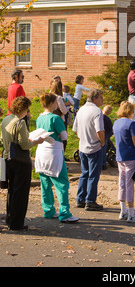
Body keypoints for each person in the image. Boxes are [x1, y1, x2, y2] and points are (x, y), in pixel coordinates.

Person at [1, 96, 45, 230]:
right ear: (25, 108)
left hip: (8, 157)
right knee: (21, 192)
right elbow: (25, 145)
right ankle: (17, 223)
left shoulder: (6, 119)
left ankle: (10, 219)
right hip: (20, 161)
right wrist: (37, 141)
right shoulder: (20, 123)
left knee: (12, 191)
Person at [35, 93, 79, 223]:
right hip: (54, 153)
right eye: (55, 102)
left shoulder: (39, 118)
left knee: (45, 184)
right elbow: (64, 136)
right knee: (62, 184)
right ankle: (65, 213)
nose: (57, 104)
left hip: (41, 152)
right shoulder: (56, 118)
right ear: (51, 103)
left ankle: (48, 210)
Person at [72, 89, 105, 211]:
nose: (102, 100)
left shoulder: (81, 109)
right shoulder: (97, 111)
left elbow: (75, 129)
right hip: (94, 146)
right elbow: (99, 130)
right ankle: (90, 201)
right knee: (93, 175)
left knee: (84, 173)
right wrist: (102, 142)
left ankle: (80, 198)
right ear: (95, 98)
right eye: (101, 97)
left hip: (82, 145)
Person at [113, 101, 135, 222]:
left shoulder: (116, 123)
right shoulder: (131, 123)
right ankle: (131, 213)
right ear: (130, 111)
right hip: (130, 155)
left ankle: (123, 210)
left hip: (120, 155)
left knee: (122, 182)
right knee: (129, 184)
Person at [102, 105, 113, 170]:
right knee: (104, 149)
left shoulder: (99, 116)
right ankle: (103, 163)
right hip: (105, 136)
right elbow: (110, 129)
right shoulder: (107, 119)